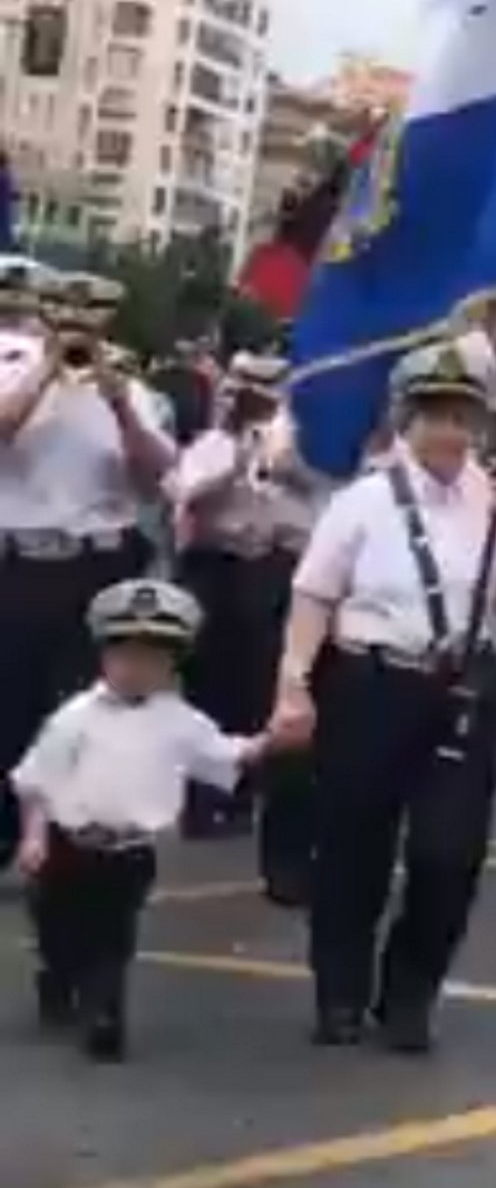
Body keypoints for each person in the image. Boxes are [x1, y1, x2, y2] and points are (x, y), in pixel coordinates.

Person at [269, 341, 496, 1052]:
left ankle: (411, 992)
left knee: (447, 854)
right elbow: (313, 594)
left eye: (462, 415)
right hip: (372, 682)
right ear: (406, 420)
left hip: (464, 689)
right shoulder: (364, 499)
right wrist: (295, 683)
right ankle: (339, 992)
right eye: (434, 415)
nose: (450, 431)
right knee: (353, 846)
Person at [13, 579, 268, 1061]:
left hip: (129, 850)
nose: (137, 669)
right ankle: (59, 974)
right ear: (104, 657)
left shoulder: (179, 720)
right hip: (70, 845)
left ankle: (105, 1011)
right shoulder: (75, 718)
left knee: (115, 932)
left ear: (172, 664)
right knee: (62, 925)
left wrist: (270, 741)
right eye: (126, 656)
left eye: (152, 659)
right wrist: (34, 837)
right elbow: (36, 780)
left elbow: (221, 753)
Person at [0, 272, 175, 871]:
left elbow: (156, 477)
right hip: (19, 563)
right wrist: (48, 368)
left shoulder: (129, 386)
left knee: (85, 710)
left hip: (98, 565)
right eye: (65, 319)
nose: (78, 333)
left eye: (89, 322)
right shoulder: (12, 366)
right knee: (9, 705)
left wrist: (118, 400)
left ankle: (69, 842)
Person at [170, 352, 327, 893]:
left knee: (270, 684)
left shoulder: (300, 441)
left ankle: (256, 787)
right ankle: (207, 798)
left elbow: (317, 486)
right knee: (211, 686)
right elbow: (190, 497)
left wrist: (280, 450)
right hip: (219, 566)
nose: (255, 397)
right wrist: (238, 452)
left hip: (279, 567)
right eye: (246, 388)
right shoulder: (212, 445)